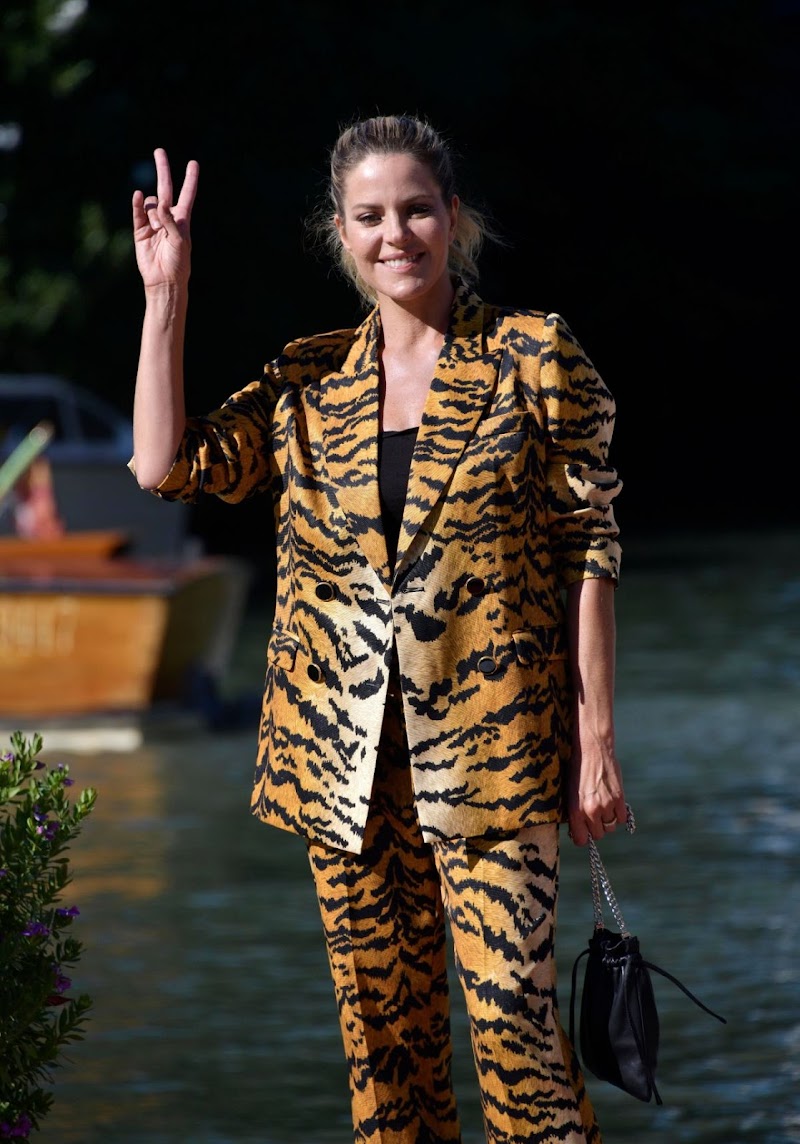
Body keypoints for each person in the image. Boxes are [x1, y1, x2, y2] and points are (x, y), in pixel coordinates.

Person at [130, 113, 627, 1144]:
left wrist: (594, 746)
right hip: (340, 768)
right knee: (383, 1049)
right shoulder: (308, 382)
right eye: (368, 216)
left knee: (516, 1031)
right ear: (339, 233)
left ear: (453, 217)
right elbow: (162, 465)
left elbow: (588, 547)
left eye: (413, 209)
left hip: (497, 755)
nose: (393, 234)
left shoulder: (530, 357)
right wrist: (165, 294)